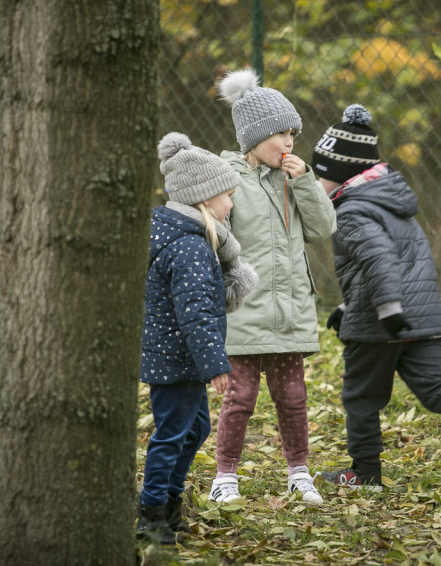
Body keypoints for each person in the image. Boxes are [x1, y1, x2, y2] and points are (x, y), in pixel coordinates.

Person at [310, 103, 441, 490]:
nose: (315, 183)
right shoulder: (392, 205)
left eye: (319, 174)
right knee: (433, 389)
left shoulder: (351, 212)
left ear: (340, 175)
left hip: (381, 324)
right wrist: (349, 306)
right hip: (422, 319)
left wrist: (387, 309)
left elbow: (379, 259)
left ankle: (365, 473)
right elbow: (397, 264)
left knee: (361, 399)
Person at [209, 67, 337, 505]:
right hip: (245, 312)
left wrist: (305, 181)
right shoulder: (228, 179)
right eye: (280, 135)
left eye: (293, 136)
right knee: (240, 398)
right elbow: (216, 239)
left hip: (290, 310)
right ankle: (225, 475)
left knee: (293, 397)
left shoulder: (293, 179)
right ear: (253, 138)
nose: (288, 144)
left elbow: (323, 228)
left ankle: (299, 472)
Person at [138, 132, 259, 544]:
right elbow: (196, 313)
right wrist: (215, 365)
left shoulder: (184, 236)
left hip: (176, 356)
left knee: (195, 429)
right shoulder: (188, 246)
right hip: (177, 359)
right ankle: (152, 515)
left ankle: (170, 501)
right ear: (205, 198)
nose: (231, 203)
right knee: (173, 433)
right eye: (227, 195)